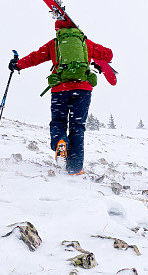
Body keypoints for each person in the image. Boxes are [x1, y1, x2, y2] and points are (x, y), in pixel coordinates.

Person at [9, 18, 113, 175]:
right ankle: (75, 168)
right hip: (83, 89)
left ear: (58, 29)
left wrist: (17, 64)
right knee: (77, 126)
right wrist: (93, 59)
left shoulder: (54, 43)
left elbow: (35, 57)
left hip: (60, 90)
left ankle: (60, 142)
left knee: (58, 121)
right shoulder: (86, 43)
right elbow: (108, 54)